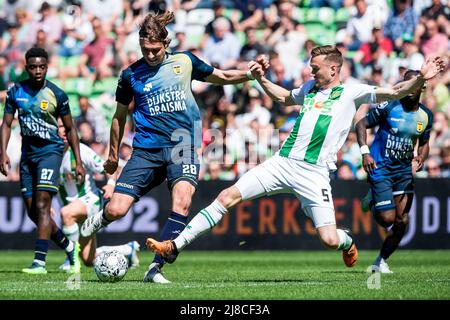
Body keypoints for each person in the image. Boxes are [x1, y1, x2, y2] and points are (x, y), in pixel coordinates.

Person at [146, 46, 445, 273]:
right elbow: (283, 98)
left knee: (329, 239)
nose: (310, 71)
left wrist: (421, 77)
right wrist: (260, 79)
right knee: (227, 196)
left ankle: (347, 241)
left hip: (314, 175)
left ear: (333, 69)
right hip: (282, 162)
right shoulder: (310, 89)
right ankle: (174, 246)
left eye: (315, 68)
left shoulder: (352, 92)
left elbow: (394, 91)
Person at [79, 11, 268, 284]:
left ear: (165, 45)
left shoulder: (185, 61)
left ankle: (155, 269)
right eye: (145, 50)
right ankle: (95, 223)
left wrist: (250, 75)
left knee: (182, 201)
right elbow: (119, 117)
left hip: (184, 143)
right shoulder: (130, 74)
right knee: (117, 209)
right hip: (146, 149)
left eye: (155, 50)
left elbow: (222, 75)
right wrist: (111, 154)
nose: (151, 55)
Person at [0, 47, 86, 274]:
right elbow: (6, 124)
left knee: (42, 205)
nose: (38, 71)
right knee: (34, 213)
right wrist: (3, 152)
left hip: (50, 152)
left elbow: (70, 128)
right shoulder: (16, 92)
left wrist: (78, 161)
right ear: (26, 67)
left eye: (42, 67)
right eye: (33, 67)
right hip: (28, 155)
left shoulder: (57, 94)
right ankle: (69, 248)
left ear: (47, 67)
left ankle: (39, 262)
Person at [356, 69, 434, 273]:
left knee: (402, 221)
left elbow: (424, 143)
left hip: (403, 172)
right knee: (387, 220)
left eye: (414, 84)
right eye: (406, 84)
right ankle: (372, 198)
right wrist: (365, 152)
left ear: (421, 87)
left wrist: (420, 157)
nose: (409, 89)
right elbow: (362, 123)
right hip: (379, 167)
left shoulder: (426, 115)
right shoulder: (390, 106)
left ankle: (380, 261)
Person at [56, 121, 140, 271]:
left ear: (72, 131)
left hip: (90, 202)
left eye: (65, 127)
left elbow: (108, 168)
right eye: (59, 127)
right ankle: (128, 249)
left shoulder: (82, 151)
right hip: (73, 211)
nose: (62, 131)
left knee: (66, 213)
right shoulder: (50, 155)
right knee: (89, 259)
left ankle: (70, 260)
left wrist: (111, 184)